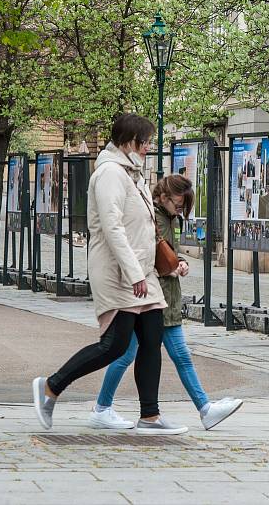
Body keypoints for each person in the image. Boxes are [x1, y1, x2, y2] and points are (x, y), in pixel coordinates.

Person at [33, 113, 187, 435]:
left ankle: (150, 416)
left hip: (142, 274)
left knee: (151, 339)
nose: (148, 148)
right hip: (119, 275)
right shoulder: (109, 175)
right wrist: (134, 273)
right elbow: (113, 228)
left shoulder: (133, 174)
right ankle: (51, 386)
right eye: (145, 143)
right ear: (129, 142)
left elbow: (143, 226)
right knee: (114, 346)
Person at [88, 172, 243, 432]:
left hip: (162, 297)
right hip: (150, 298)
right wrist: (169, 268)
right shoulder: (152, 217)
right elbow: (143, 253)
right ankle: (104, 408)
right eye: (178, 204)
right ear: (163, 196)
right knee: (131, 354)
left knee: (142, 354)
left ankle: (104, 408)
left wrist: (178, 260)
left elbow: (165, 249)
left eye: (183, 206)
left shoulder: (166, 217)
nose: (180, 209)